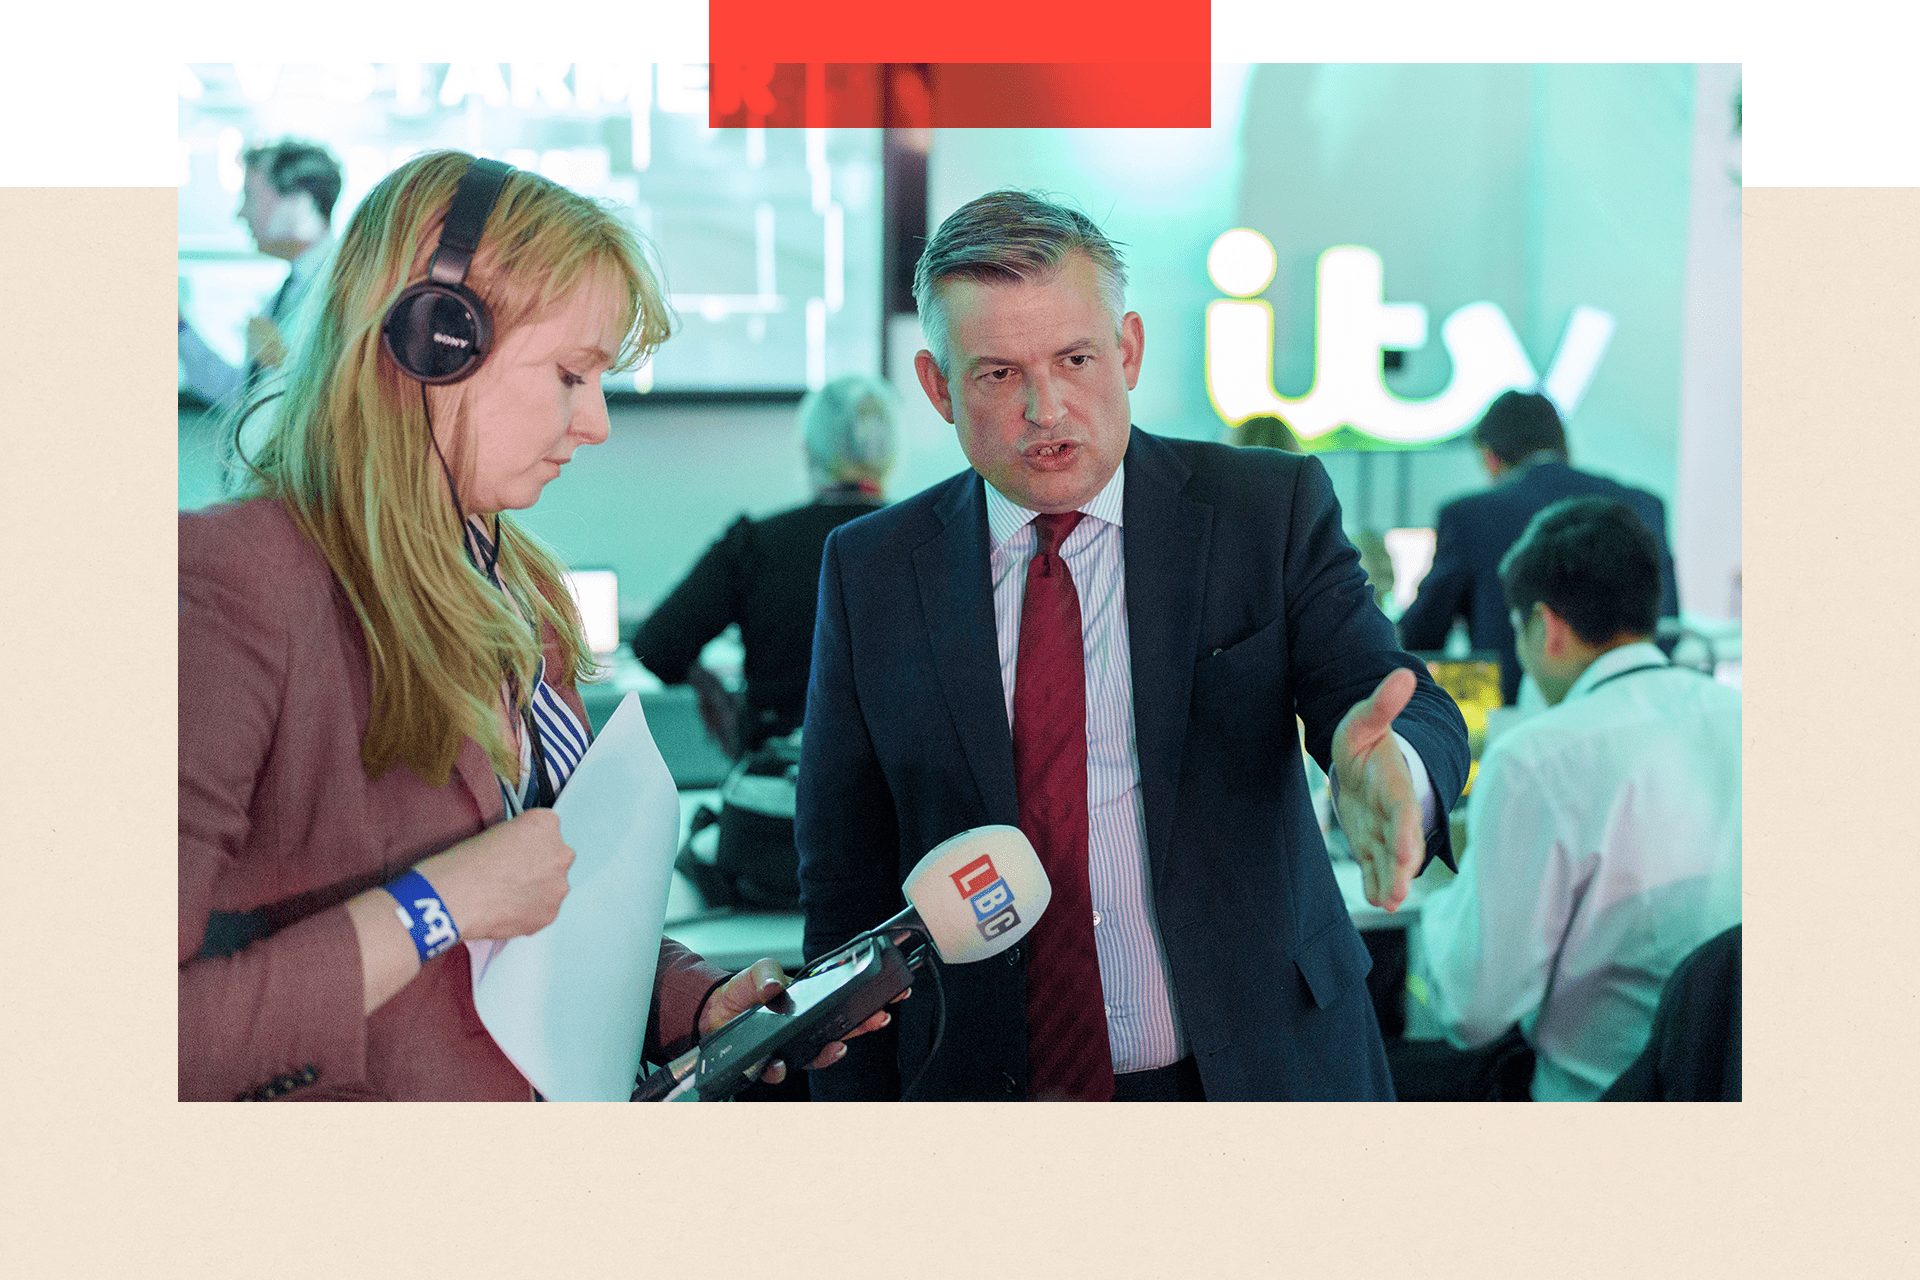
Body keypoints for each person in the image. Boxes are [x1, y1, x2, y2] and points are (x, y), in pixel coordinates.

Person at [179, 151, 888, 1101]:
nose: (594, 423)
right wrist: (435, 907)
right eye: (570, 374)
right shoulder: (236, 583)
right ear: (436, 339)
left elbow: (557, 894)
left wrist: (696, 1000)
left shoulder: (520, 590)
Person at [795, 190, 1469, 1101]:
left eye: (1075, 359)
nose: (1046, 408)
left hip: (1264, 1071)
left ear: (1129, 351)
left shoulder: (1262, 514)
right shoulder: (873, 571)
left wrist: (1399, 775)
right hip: (989, 1093)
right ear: (936, 385)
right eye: (997, 374)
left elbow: (1396, 700)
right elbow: (845, 877)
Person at [1401, 497, 1741, 1101]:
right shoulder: (1743, 716)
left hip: (1592, 1098)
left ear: (1547, 628)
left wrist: (1434, 886)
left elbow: (1473, 1013)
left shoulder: (1537, 759)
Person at [632, 373, 900, 756]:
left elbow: (655, 644)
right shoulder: (930, 542)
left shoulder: (754, 545)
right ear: (890, 453)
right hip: (898, 798)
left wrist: (712, 691)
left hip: (776, 790)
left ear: (809, 452)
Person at [1396, 390, 1679, 704]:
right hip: (1641, 705)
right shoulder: (1644, 505)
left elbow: (1424, 633)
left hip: (1508, 712)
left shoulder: (1469, 516)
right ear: (1565, 448)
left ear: (1491, 458)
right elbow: (1667, 624)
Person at [179, 139, 343, 410]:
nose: (240, 213)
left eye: (250, 197)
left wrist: (285, 365)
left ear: (299, 204)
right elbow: (240, 395)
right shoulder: (289, 290)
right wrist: (179, 327)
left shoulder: (344, 288)